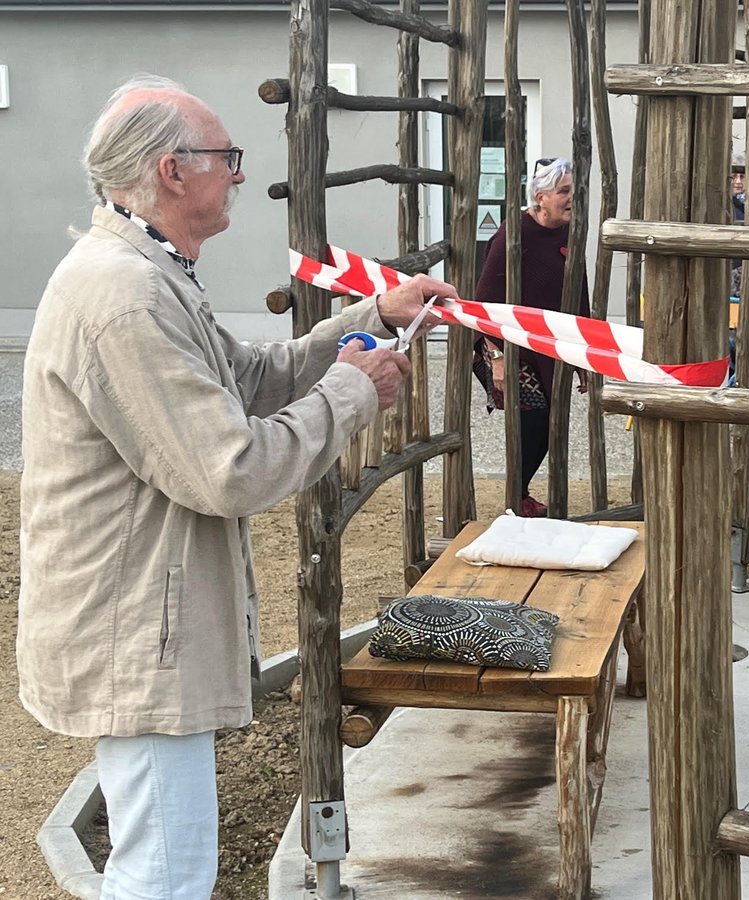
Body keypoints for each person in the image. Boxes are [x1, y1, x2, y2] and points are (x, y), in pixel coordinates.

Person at [17, 75, 454, 900]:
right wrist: (355, 392)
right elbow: (232, 469)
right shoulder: (125, 293)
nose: (241, 174)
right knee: (165, 875)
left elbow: (253, 375)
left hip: (145, 623)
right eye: (227, 157)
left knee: (161, 863)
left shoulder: (150, 270)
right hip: (135, 633)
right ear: (171, 171)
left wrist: (375, 320)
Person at [473, 157, 588, 518]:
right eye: (564, 192)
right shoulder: (512, 235)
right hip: (506, 347)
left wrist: (585, 356)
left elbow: (578, 294)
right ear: (540, 197)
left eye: (573, 191)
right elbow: (485, 301)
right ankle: (516, 498)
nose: (572, 198)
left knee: (549, 423)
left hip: (549, 349)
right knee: (535, 421)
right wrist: (497, 359)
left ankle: (520, 493)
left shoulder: (570, 233)